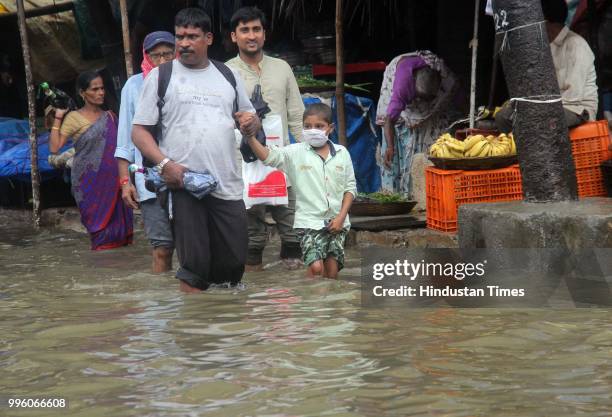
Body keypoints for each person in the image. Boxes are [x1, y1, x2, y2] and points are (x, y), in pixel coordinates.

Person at [131, 8, 259, 293]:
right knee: (193, 267)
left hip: (227, 184)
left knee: (233, 265)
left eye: (192, 36)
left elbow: (249, 120)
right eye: (180, 37)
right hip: (183, 184)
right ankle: (193, 332)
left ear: (209, 38)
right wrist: (166, 165)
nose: (184, 43)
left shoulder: (228, 74)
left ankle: (223, 330)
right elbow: (138, 132)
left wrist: (251, 123)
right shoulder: (161, 77)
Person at [226, 7, 305, 272]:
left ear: (264, 34)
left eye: (256, 29)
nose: (251, 36)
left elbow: (297, 116)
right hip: (243, 166)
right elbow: (221, 123)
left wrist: (310, 159)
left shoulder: (282, 68)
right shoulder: (226, 72)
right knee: (252, 239)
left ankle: (294, 302)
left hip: (283, 162)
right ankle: (256, 304)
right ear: (233, 36)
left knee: (294, 234)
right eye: (244, 30)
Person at [243, 103, 356, 279]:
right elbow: (268, 157)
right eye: (308, 126)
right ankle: (310, 303)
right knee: (317, 267)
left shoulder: (342, 153)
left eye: (319, 126)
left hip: (337, 221)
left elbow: (350, 188)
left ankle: (323, 303)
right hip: (308, 222)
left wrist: (341, 217)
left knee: (332, 271)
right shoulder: (294, 153)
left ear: (330, 128)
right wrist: (250, 137)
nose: (313, 130)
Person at [49, 71, 133, 250]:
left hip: (113, 182)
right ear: (82, 93)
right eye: (94, 89)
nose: (100, 92)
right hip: (88, 184)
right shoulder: (73, 118)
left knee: (119, 237)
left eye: (102, 88)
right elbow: (55, 148)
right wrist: (58, 116)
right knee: (99, 233)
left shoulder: (110, 117)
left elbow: (121, 148)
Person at [115, 31, 176, 273]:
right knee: (162, 247)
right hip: (148, 179)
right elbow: (125, 139)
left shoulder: (186, 80)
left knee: (194, 246)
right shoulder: (134, 86)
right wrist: (124, 182)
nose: (162, 61)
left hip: (186, 176)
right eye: (156, 55)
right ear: (146, 56)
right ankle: (161, 305)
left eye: (168, 54)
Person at [495, 0, 598, 133]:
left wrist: (537, 108)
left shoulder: (576, 45)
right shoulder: (543, 48)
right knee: (503, 117)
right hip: (549, 108)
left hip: (577, 110)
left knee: (537, 119)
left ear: (544, 21)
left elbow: (572, 99)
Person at [376, 51, 458, 196]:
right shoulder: (402, 87)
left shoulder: (443, 77)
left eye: (428, 98)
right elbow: (389, 120)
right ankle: (398, 193)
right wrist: (390, 146)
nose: (422, 102)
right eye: (420, 97)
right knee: (397, 118)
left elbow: (451, 92)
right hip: (400, 73)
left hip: (425, 71)